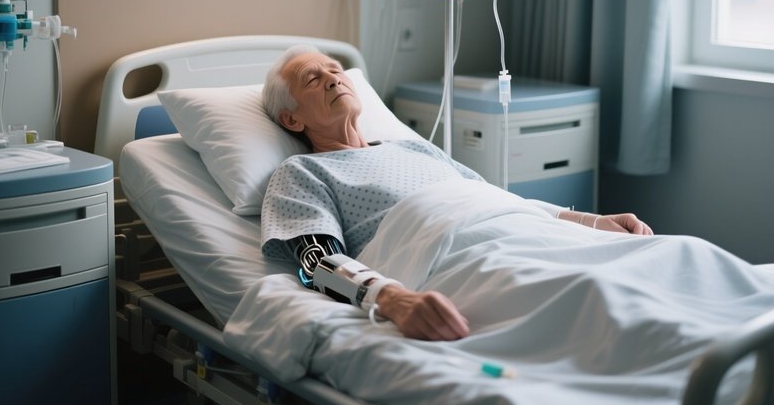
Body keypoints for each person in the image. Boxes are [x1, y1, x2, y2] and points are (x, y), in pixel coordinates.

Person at [260, 45, 653, 342]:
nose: (333, 78)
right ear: (291, 118)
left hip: (523, 233)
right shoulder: (301, 172)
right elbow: (316, 263)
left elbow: (491, 199)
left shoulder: (412, 147)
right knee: (599, 304)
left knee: (660, 267)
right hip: (461, 257)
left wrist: (594, 222)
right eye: (313, 79)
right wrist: (391, 299)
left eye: (336, 69)